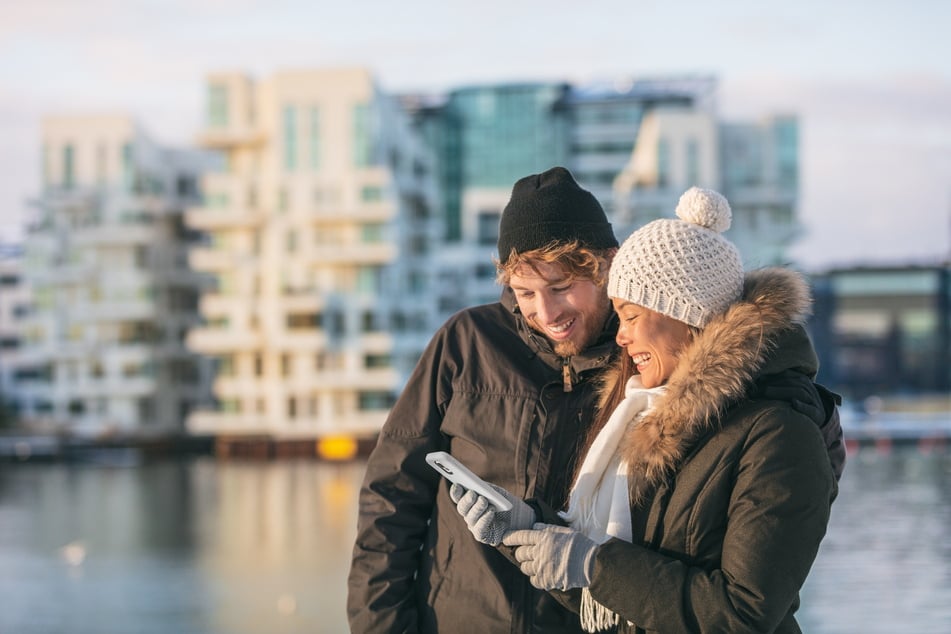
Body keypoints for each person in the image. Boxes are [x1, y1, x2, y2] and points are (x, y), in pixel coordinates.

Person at [452, 186, 842, 633]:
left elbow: (742, 614)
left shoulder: (780, 435)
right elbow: (620, 595)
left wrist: (593, 564)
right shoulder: (646, 420)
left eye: (631, 316)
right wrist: (527, 530)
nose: (620, 337)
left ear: (686, 314)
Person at [347, 166, 624, 633]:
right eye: (525, 293)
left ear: (607, 265)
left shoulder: (639, 360)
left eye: (561, 288)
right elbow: (390, 499)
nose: (547, 312)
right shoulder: (465, 343)